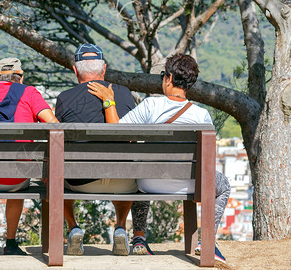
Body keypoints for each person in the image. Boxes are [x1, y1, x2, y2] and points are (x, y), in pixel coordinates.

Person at [87, 53, 231, 263]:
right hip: (190, 185)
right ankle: (207, 240)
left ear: (169, 78)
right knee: (224, 185)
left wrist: (109, 101)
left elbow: (117, 134)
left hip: (149, 183)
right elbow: (208, 161)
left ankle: (139, 238)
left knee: (139, 170)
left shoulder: (150, 106)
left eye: (163, 75)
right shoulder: (201, 116)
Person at [55, 43, 144, 256]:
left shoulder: (65, 98)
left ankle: (73, 227)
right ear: (104, 70)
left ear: (76, 71)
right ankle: (121, 227)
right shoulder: (123, 94)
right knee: (124, 166)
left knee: (56, 170)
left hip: (80, 182)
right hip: (123, 183)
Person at [0, 57, 58, 255]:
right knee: (18, 173)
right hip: (15, 179)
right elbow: (54, 124)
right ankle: (11, 243)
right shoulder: (29, 93)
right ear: (21, 77)